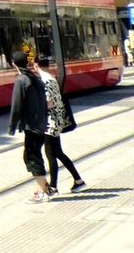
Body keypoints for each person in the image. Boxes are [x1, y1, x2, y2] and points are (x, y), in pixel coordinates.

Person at [6, 51, 52, 204]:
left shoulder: (21, 80)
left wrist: (12, 126)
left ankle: (43, 191)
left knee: (32, 157)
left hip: (32, 125)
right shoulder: (35, 77)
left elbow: (17, 105)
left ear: (14, 64)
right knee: (34, 155)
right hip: (40, 123)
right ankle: (44, 187)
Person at [36, 56, 85, 194]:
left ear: (36, 65)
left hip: (49, 122)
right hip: (56, 120)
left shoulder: (45, 80)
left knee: (51, 155)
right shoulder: (52, 78)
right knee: (58, 153)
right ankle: (78, 180)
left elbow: (49, 102)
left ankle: (53, 187)